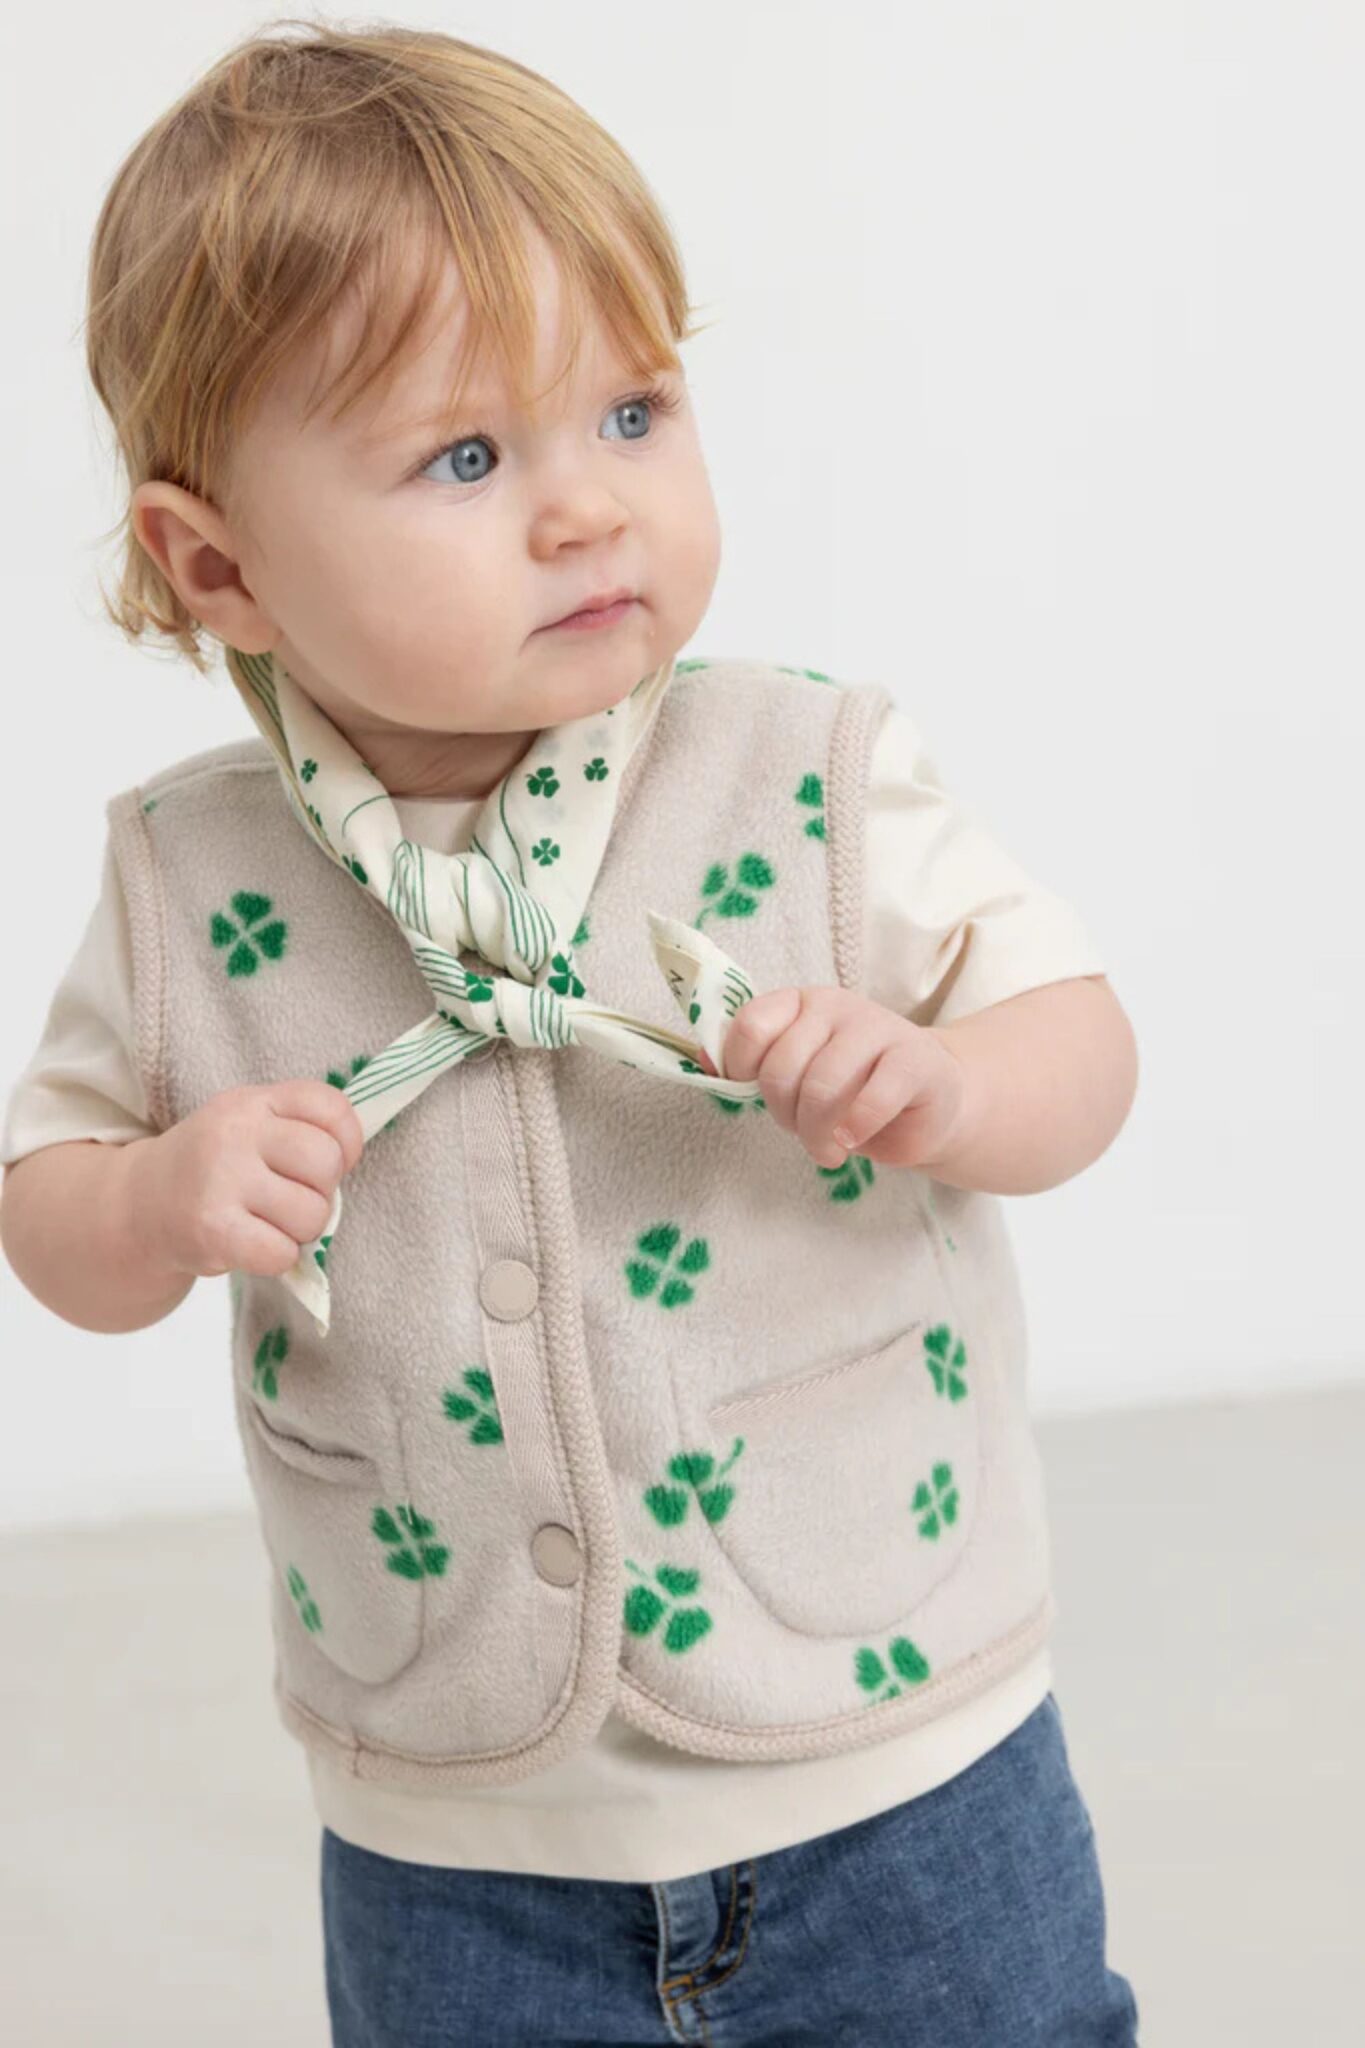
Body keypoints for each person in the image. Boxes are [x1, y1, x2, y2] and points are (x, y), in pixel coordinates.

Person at [0, 20, 1142, 2044]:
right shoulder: (188, 876)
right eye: (465, 455)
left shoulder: (801, 768)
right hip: (459, 1824)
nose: (583, 510)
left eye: (631, 410)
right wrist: (162, 1199)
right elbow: (48, 1209)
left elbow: (1076, 1040)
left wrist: (953, 1087)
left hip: (894, 1751)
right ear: (218, 564)